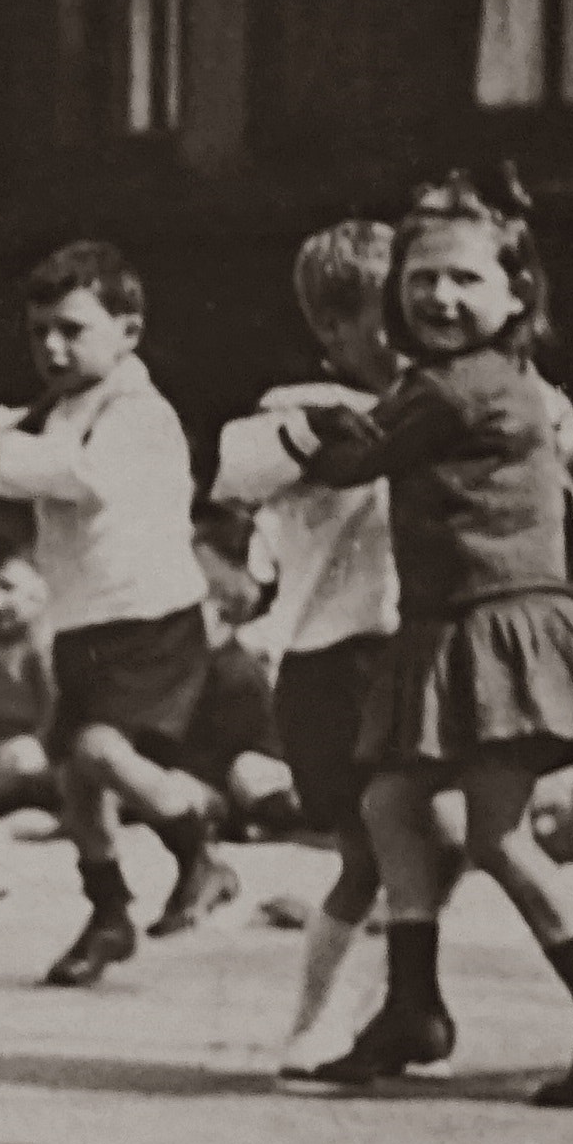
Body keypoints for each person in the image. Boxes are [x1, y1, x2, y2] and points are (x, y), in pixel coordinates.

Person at [296, 168, 573, 1107]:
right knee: (392, 802)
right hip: (462, 627)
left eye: (464, 278)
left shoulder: (453, 390)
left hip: (496, 632)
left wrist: (297, 432)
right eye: (420, 278)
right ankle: (411, 1006)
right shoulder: (488, 380)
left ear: (516, 293)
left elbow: (350, 460)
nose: (439, 296)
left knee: (499, 838)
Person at [0, 242, 232, 984]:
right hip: (83, 622)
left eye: (72, 329)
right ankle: (108, 913)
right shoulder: (57, 409)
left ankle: (198, 846)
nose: (52, 347)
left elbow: (84, 477)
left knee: (99, 752)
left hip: (150, 619)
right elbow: (19, 463)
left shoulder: (138, 412)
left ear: (128, 332)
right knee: (77, 786)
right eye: (38, 331)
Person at [215, 221, 414, 1075]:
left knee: (431, 846)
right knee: (367, 853)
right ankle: (314, 1017)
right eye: (390, 314)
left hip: (418, 656)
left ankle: (393, 1008)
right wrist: (312, 432)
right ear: (333, 327)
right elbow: (236, 467)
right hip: (334, 663)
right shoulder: (292, 411)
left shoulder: (442, 399)